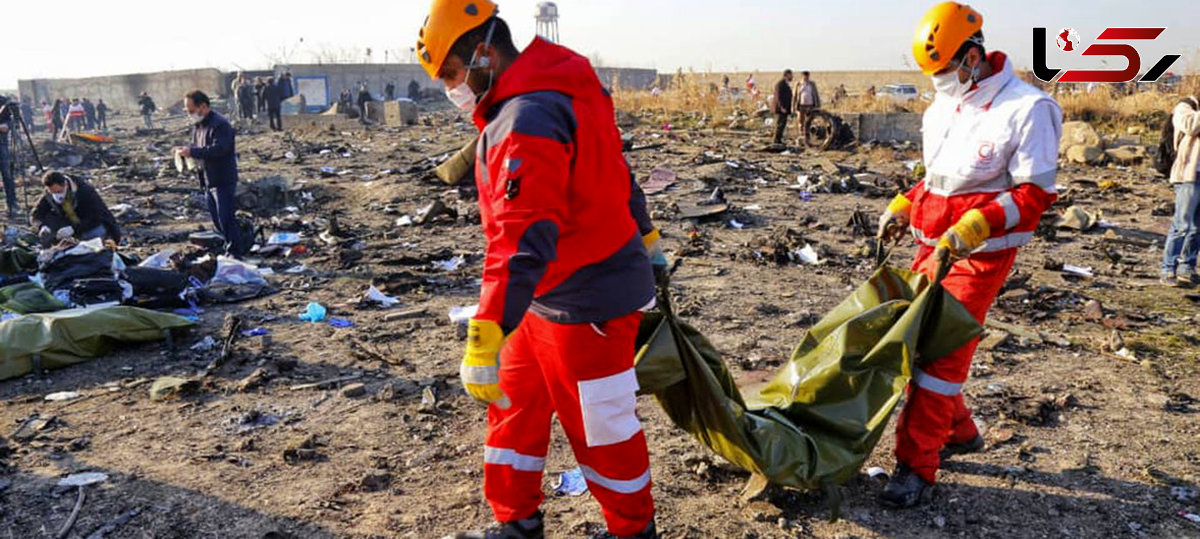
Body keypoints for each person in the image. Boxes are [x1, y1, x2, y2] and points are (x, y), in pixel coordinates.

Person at [417, 2, 665, 537]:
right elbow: (614, 164)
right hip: (539, 296)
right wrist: (645, 233)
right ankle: (517, 522)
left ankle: (633, 530)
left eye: (454, 73)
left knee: (602, 432)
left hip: (588, 299)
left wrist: (485, 330)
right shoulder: (560, 85)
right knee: (513, 410)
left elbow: (522, 235)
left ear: (484, 52)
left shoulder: (527, 115)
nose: (453, 88)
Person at [876, 2, 1061, 508]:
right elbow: (938, 179)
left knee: (938, 360)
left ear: (974, 55)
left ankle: (916, 466)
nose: (941, 81)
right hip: (932, 247)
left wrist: (971, 229)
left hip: (979, 257)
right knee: (912, 344)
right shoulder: (945, 106)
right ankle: (959, 432)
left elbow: (1034, 195)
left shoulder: (1027, 108)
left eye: (945, 70)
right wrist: (903, 204)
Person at [175, 90, 242, 257]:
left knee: (226, 218)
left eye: (191, 110)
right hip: (208, 179)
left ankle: (235, 252)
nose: (189, 114)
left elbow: (220, 149)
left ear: (203, 107)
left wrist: (193, 152)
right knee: (218, 220)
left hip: (222, 178)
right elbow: (198, 147)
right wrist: (186, 152)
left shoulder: (220, 125)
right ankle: (228, 246)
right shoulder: (199, 126)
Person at [1160, 96, 1200, 285]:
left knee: (1197, 227)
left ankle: (1187, 268)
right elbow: (1191, 126)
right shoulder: (1185, 106)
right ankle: (1168, 269)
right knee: (1182, 225)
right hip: (1188, 177)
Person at [32, 171, 121, 246]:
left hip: (90, 225)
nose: (57, 195)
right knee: (50, 227)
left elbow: (96, 217)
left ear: (65, 185)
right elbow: (36, 214)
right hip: (68, 224)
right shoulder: (49, 195)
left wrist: (73, 229)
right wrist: (42, 226)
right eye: (53, 192)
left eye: (59, 191)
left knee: (94, 235)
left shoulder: (84, 191)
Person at [0, 97, 17, 219]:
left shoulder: (3, 101)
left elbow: (10, 121)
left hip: (1, 143)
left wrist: (7, 125)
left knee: (7, 174)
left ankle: (12, 204)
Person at [794, 71, 820, 138]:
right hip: (801, 105)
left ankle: (808, 134)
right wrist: (793, 105)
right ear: (802, 76)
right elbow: (795, 95)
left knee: (809, 119)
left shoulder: (812, 84)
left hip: (810, 105)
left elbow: (816, 94)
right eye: (805, 76)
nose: (806, 77)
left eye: (807, 76)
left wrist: (818, 104)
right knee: (801, 120)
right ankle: (801, 134)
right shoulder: (798, 84)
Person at [771, 70, 794, 145]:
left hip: (785, 108)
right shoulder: (780, 84)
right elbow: (778, 97)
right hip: (781, 109)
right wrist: (782, 107)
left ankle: (779, 140)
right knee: (779, 125)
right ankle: (776, 141)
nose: (792, 76)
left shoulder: (786, 84)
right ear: (787, 75)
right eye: (791, 75)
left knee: (782, 125)